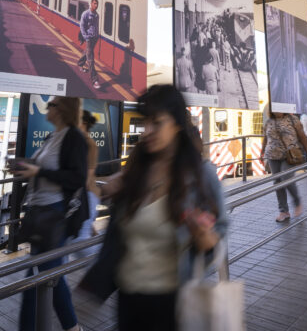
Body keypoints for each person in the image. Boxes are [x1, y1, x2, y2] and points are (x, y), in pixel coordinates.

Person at [79, 85, 227, 331]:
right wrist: (103, 189)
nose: (147, 131)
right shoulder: (135, 170)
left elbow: (219, 234)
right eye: (145, 122)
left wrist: (205, 237)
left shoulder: (201, 174)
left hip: (172, 305)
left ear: (177, 124)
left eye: (157, 123)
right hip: (128, 300)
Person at [13, 96, 87, 331]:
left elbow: (77, 177)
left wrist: (39, 171)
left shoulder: (74, 138)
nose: (47, 107)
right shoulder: (51, 137)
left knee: (42, 276)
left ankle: (68, 327)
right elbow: (42, 169)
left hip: (55, 213)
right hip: (39, 210)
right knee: (44, 275)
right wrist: (26, 168)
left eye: (52, 104)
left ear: (63, 109)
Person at [263, 112, 307, 222]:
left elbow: (302, 136)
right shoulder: (269, 121)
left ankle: (297, 202)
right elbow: (265, 138)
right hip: (272, 155)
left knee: (286, 178)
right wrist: (262, 152)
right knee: (277, 182)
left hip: (290, 155)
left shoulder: (292, 119)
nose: (277, 111)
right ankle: (283, 211)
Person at [71, 109, 101, 259]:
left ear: (82, 124)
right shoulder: (79, 142)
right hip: (84, 195)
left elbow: (86, 176)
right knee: (78, 235)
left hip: (87, 195)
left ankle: (100, 263)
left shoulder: (89, 144)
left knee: (78, 241)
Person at [78, 0, 101, 90]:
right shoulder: (85, 14)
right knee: (91, 59)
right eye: (95, 3)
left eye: (97, 4)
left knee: (87, 52)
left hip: (95, 38)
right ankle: (95, 80)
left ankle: (80, 63)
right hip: (89, 38)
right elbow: (82, 26)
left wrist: (97, 35)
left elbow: (95, 26)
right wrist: (86, 37)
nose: (96, 5)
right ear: (91, 3)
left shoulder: (96, 15)